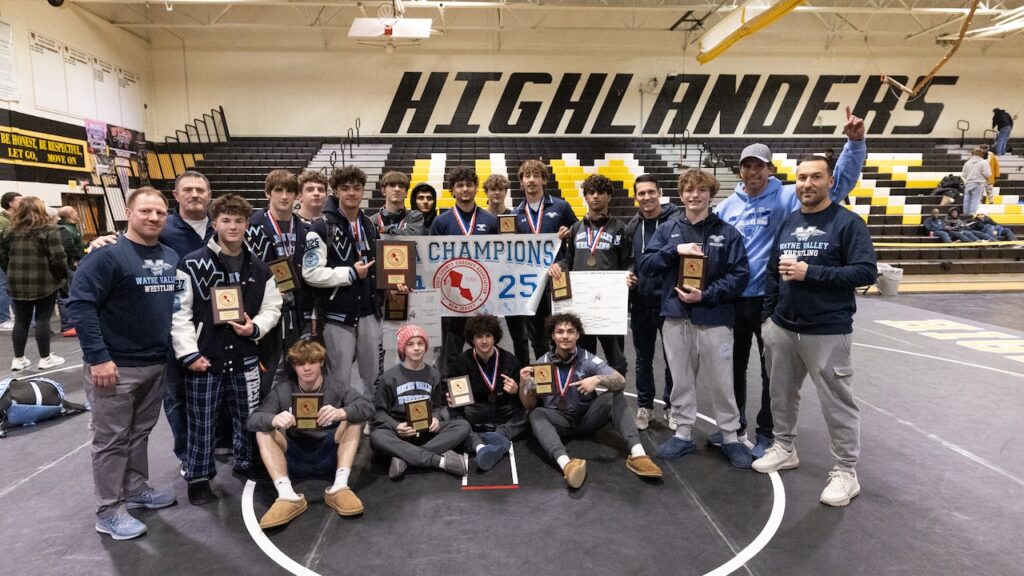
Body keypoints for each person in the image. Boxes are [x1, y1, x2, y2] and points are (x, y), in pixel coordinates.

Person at [713, 106, 866, 458]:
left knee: (773, 375)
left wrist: (854, 144)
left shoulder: (786, 195)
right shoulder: (726, 208)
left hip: (770, 299)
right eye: (747, 165)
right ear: (741, 169)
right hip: (734, 300)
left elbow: (837, 183)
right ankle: (733, 429)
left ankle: (769, 435)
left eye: (760, 166)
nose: (753, 171)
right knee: (733, 368)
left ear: (770, 169)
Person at [752, 155, 878, 507]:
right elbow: (773, 273)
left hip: (827, 329)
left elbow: (866, 273)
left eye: (816, 177)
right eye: (802, 178)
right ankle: (784, 447)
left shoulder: (848, 223)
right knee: (780, 394)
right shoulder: (789, 222)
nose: (807, 184)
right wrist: (768, 319)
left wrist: (813, 273)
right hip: (783, 327)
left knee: (838, 403)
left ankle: (846, 471)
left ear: (829, 182)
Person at [67, 186, 179, 540]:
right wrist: (98, 358)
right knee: (111, 439)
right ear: (128, 214)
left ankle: (134, 487)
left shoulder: (170, 256)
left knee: (139, 433)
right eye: (145, 211)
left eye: (160, 212)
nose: (153, 217)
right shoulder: (107, 255)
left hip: (154, 363)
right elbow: (81, 306)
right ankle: (109, 509)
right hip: (115, 367)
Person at [171, 194, 283, 505]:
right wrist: (188, 354)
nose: (232, 226)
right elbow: (179, 312)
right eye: (226, 220)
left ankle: (246, 462)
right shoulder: (190, 263)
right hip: (205, 358)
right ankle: (198, 476)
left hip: (246, 355)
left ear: (247, 224)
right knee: (201, 420)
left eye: (238, 220)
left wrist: (255, 327)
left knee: (248, 417)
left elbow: (273, 307)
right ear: (215, 222)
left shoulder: (260, 268)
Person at [637, 170, 752, 468]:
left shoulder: (727, 233)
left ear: (711, 195)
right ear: (681, 194)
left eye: (701, 190)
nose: (694, 195)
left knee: (723, 381)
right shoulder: (668, 229)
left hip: (715, 317)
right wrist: (675, 251)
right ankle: (684, 433)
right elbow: (646, 264)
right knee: (681, 378)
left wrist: (706, 295)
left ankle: (730, 436)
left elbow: (740, 276)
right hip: (676, 316)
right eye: (689, 190)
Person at [521, 313, 662, 489]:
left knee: (615, 395)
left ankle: (638, 455)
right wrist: (523, 384)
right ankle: (567, 464)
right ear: (553, 336)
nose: (565, 336)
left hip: (587, 418)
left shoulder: (588, 359)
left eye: (570, 331)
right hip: (559, 421)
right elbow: (528, 404)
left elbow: (621, 381)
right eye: (560, 331)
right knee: (535, 414)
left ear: (578, 335)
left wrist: (598, 380)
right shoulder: (541, 364)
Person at [247, 340, 373, 529]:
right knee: (264, 429)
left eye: (312, 362)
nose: (306, 368)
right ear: (293, 366)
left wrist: (341, 412)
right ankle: (287, 495)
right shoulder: (282, 390)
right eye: (300, 363)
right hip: (294, 457)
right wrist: (274, 419)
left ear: (321, 362)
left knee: (353, 418)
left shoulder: (336, 386)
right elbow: (252, 420)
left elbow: (368, 407)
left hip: (331, 454)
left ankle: (340, 485)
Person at [302, 166, 386, 400]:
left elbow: (378, 267)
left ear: (363, 191)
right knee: (339, 377)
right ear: (335, 191)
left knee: (373, 375)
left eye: (357, 188)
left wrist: (393, 282)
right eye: (345, 188)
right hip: (337, 315)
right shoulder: (320, 227)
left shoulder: (370, 225)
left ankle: (371, 419)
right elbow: (310, 273)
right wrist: (348, 274)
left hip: (370, 312)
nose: (352, 193)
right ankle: (338, 424)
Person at [549, 174, 628, 376]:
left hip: (610, 304)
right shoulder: (576, 228)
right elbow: (569, 259)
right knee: (583, 356)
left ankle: (616, 404)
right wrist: (558, 266)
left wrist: (630, 275)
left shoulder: (620, 228)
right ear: (585, 197)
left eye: (600, 192)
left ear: (609, 197)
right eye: (591, 192)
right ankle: (586, 403)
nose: (595, 197)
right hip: (582, 304)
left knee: (616, 358)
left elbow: (629, 262)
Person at [370, 324, 472, 480]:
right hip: (401, 432)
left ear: (426, 347)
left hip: (427, 431)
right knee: (377, 437)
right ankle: (438, 461)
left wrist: (436, 418)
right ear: (403, 349)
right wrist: (396, 426)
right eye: (410, 344)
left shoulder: (434, 374)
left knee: (462, 426)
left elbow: (437, 406)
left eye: (420, 343)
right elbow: (378, 413)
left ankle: (406, 458)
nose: (416, 348)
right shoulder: (389, 377)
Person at [246, 169, 312, 392]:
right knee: (267, 369)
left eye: (290, 191)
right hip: (264, 309)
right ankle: (263, 421)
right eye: (278, 190)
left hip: (297, 308)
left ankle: (295, 421)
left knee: (299, 368)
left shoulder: (305, 228)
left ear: (297, 196)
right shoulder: (251, 226)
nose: (284, 196)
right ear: (268, 193)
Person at [430, 166, 499, 376]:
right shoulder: (441, 221)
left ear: (476, 188)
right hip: (454, 297)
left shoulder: (490, 220)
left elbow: (501, 258)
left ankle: (485, 387)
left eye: (469, 184)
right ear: (452, 190)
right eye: (459, 185)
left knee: (486, 347)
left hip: (484, 295)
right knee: (451, 351)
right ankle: (450, 393)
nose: (465, 189)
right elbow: (431, 259)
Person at [624, 174, 677, 430]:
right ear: (636, 197)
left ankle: (672, 406)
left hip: (670, 301)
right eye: (641, 193)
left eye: (650, 192)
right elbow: (629, 259)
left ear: (659, 193)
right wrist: (630, 273)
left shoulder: (676, 220)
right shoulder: (632, 227)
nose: (646, 197)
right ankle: (645, 407)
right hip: (641, 302)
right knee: (643, 358)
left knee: (672, 358)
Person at [511, 159, 578, 362]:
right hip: (530, 283)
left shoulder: (561, 206)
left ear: (544, 180)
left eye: (536, 176)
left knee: (563, 331)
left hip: (558, 278)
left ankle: (566, 375)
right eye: (527, 176)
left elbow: (580, 237)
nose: (531, 180)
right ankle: (545, 380)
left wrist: (569, 233)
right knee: (537, 336)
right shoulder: (514, 214)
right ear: (521, 182)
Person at [446, 314, 526, 471]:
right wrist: (450, 398)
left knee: (531, 413)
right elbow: (452, 394)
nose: (484, 341)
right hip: (475, 412)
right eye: (479, 336)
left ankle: (495, 436)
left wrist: (516, 390)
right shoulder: (461, 362)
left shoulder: (509, 360)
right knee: (448, 416)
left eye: (488, 336)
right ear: (472, 339)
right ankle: (488, 440)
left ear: (495, 337)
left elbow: (521, 400)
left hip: (503, 412)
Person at [0, 197, 67, 371]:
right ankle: (45, 359)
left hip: (16, 281)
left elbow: (3, 256)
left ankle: (18, 359)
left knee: (21, 321)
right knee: (43, 319)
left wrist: (11, 271)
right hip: (44, 281)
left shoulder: (9, 232)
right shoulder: (51, 230)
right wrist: (61, 277)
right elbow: (59, 259)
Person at [56, 206, 87, 336]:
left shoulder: (71, 227)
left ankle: (72, 322)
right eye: (74, 211)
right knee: (67, 294)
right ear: (69, 214)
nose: (77, 212)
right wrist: (78, 258)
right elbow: (68, 246)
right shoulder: (65, 229)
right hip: (70, 265)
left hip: (73, 263)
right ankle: (68, 324)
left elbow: (76, 244)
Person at [371, 171, 426, 236]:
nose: (397, 189)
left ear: (406, 193)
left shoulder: (415, 217)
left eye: (401, 186)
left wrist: (385, 230)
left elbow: (413, 236)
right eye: (392, 185)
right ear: (383, 191)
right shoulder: (372, 221)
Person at [0, 191, 23, 331]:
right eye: (19, 200)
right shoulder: (2, 220)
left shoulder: (16, 219)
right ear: (11, 203)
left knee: (12, 288)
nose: (23, 202)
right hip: (2, 259)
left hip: (11, 259)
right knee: (3, 287)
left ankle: (18, 317)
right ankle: (3, 319)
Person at [961, 147, 992, 217]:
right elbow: (988, 174)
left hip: (968, 183)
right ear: (981, 154)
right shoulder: (984, 162)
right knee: (976, 200)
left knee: (966, 200)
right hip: (979, 183)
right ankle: (973, 215)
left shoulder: (967, 163)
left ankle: (965, 215)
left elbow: (964, 175)